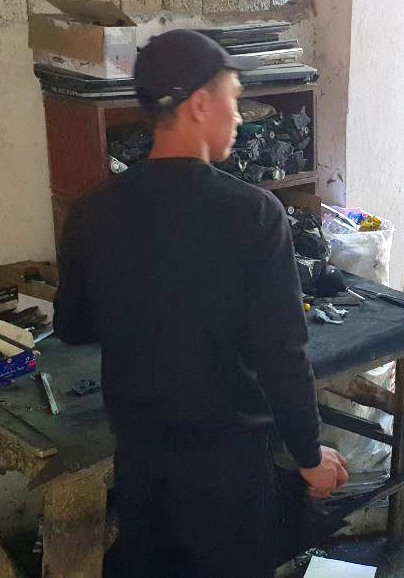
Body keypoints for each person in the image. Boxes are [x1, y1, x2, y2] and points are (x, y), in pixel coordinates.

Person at [54, 29, 348, 578]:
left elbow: (72, 326)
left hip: (142, 462)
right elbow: (282, 354)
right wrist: (310, 457)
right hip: (229, 469)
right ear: (198, 105)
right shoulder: (254, 213)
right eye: (233, 99)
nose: (239, 117)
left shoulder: (91, 212)